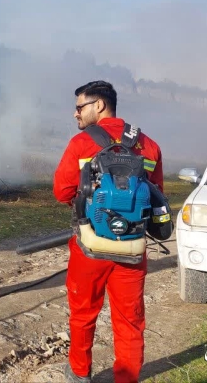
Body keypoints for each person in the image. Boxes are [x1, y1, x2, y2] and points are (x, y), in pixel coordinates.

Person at [52, 81, 164, 383]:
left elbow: (62, 192)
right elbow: (157, 198)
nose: (76, 114)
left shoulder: (81, 144)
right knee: (130, 322)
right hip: (132, 249)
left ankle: (78, 374)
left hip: (89, 247)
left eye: (79, 107)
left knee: (83, 314)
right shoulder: (149, 146)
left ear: (98, 105)